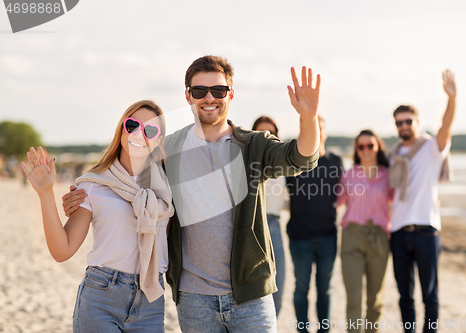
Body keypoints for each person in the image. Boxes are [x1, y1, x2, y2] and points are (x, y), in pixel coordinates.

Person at [63, 55, 322, 332]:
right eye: (200, 91)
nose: (209, 97)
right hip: (193, 300)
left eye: (218, 90)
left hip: (251, 297)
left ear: (230, 94)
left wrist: (308, 117)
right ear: (188, 96)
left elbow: (301, 159)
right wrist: (84, 194)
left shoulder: (253, 146)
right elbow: (129, 178)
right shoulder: (168, 149)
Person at [21, 100, 175, 332]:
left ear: (159, 140)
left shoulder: (169, 187)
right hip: (101, 296)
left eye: (150, 130)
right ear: (121, 129)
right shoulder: (94, 184)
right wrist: (45, 194)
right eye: (132, 125)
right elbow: (62, 250)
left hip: (151, 300)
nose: (139, 134)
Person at [388, 69, 456, 333]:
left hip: (427, 232)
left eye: (408, 121)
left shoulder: (431, 148)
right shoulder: (393, 154)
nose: (404, 126)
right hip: (398, 232)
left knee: (430, 294)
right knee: (405, 295)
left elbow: (446, 126)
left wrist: (451, 99)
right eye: (399, 122)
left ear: (417, 121)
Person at [286, 116, 343, 333]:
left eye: (320, 128)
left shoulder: (335, 161)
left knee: (325, 290)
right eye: (309, 127)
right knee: (301, 289)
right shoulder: (292, 160)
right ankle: (302, 330)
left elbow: (349, 191)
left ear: (325, 132)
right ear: (302, 130)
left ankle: (324, 330)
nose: (316, 131)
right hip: (299, 237)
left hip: (328, 236)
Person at [336, 129, 393, 333]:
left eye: (371, 145)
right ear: (356, 150)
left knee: (375, 299)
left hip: (379, 237)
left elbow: (401, 199)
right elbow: (336, 202)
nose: (366, 149)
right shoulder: (348, 175)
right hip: (352, 237)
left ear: (378, 147)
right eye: (361, 146)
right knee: (354, 298)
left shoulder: (389, 175)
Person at [252, 116, 289, 317]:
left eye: (271, 134)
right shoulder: (245, 161)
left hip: (275, 226)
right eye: (261, 133)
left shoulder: (283, 164)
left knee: (279, 288)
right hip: (251, 224)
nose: (267, 138)